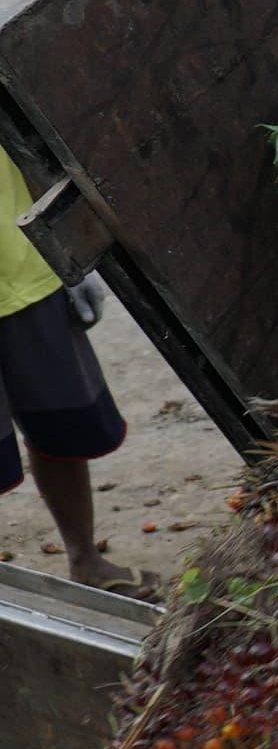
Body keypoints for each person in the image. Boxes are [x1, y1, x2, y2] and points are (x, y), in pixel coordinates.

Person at [1, 147, 137, 593]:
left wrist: (71, 250)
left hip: (26, 267)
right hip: (25, 270)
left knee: (61, 426)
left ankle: (85, 560)